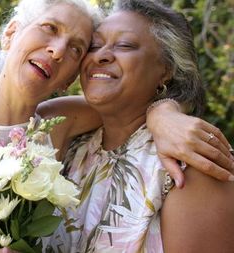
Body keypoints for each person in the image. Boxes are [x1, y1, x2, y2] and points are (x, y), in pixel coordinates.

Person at [0, 0, 233, 252]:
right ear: (11, 34)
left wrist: (164, 112)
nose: (61, 50)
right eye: (49, 28)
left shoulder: (64, 129)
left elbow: (130, 103)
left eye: (78, 48)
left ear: (69, 77)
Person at [41, 0, 234, 252]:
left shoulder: (191, 158)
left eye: (125, 45)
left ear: (165, 70)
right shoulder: (70, 146)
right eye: (95, 45)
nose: (101, 55)